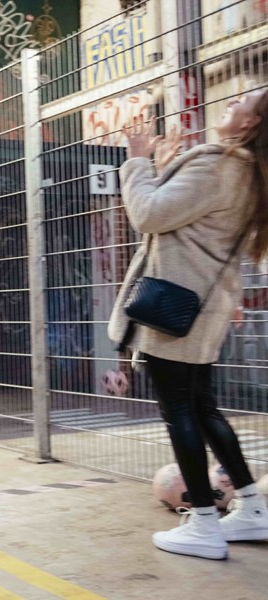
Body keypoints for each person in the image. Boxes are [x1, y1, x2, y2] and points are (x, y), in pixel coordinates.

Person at [109, 89, 268, 560]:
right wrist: (163, 169)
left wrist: (136, 160)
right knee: (201, 407)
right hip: (204, 304)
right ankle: (252, 507)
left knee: (178, 409)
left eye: (244, 102)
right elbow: (184, 220)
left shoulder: (220, 163)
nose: (233, 101)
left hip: (174, 305)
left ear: (251, 124)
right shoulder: (251, 172)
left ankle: (203, 523)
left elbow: (148, 215)